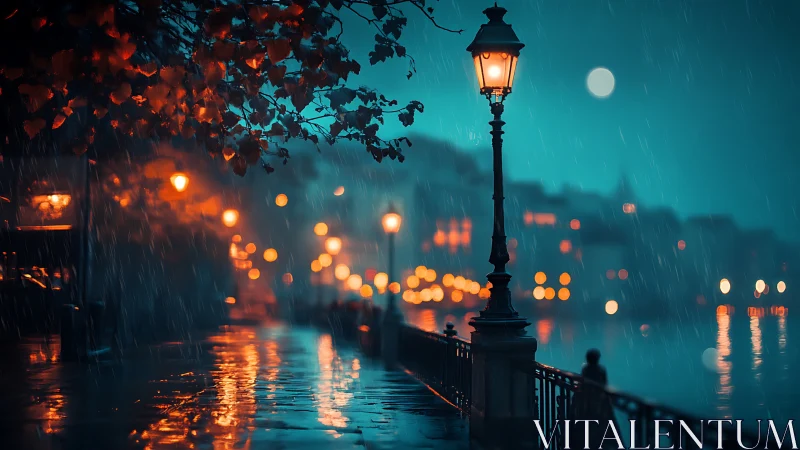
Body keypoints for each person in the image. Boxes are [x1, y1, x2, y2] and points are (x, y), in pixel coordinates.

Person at [571, 349, 618, 449]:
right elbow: (604, 384)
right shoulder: (600, 370)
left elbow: (582, 384)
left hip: (587, 402)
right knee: (599, 425)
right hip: (598, 401)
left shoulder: (586, 369)